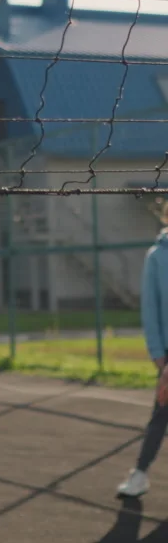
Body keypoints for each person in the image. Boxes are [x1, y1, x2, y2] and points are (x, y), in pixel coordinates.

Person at [117, 205, 168, 499]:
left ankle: (139, 473)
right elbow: (151, 309)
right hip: (167, 354)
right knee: (161, 412)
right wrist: (158, 355)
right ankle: (139, 474)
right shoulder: (157, 256)